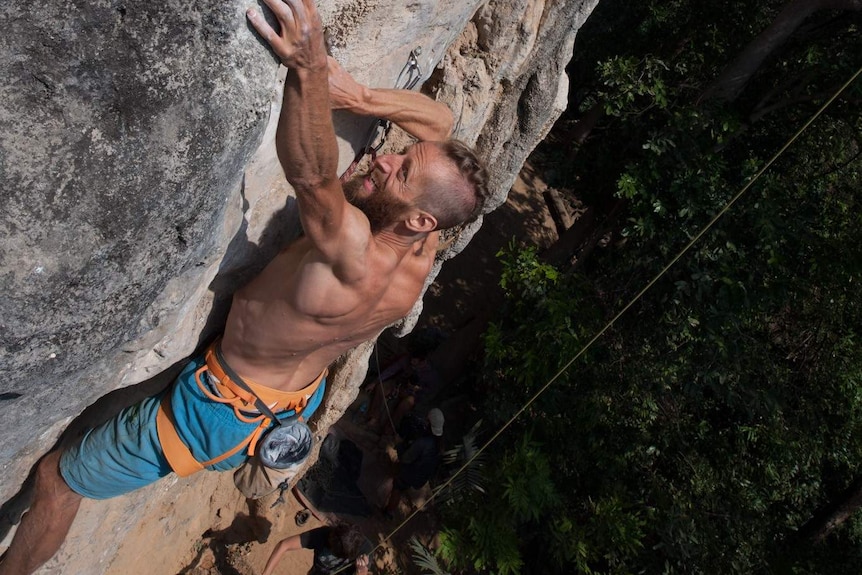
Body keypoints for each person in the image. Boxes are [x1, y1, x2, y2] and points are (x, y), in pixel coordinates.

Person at [0, 0, 490, 572]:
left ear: (420, 219)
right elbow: (441, 125)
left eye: (401, 172)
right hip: (281, 399)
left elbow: (309, 176)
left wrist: (310, 69)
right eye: (400, 154)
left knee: (58, 481)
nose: (384, 159)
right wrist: (356, 97)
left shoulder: (357, 253)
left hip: (215, 409)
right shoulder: (417, 252)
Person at [384, 408, 445, 515]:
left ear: (429, 422)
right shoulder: (439, 444)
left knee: (398, 485)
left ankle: (388, 512)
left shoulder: (424, 442)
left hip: (412, 474)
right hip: (422, 477)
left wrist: (399, 444)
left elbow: (405, 458)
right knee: (401, 481)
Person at [262, 523, 372, 575]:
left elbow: (362, 572)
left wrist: (362, 572)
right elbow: (284, 545)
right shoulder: (325, 534)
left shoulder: (364, 550)